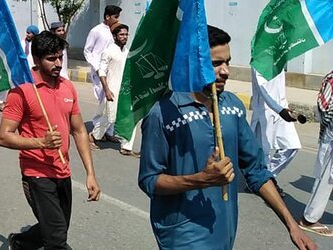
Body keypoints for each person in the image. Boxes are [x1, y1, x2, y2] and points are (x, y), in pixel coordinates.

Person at [138, 25, 315, 250]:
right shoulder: (163, 113)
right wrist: (200, 179)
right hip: (183, 235)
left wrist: (291, 224)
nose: (225, 71)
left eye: (227, 62)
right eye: (216, 64)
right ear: (194, 63)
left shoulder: (232, 106)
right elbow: (149, 180)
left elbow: (256, 170)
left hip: (225, 232)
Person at [0, 31, 101, 249]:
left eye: (60, 57)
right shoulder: (23, 89)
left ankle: (20, 241)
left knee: (59, 226)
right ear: (36, 60)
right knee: (57, 240)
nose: (58, 63)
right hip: (36, 173)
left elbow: (80, 131)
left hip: (62, 171)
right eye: (51, 58)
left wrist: (90, 174)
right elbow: (4, 136)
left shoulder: (67, 87)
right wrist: (40, 143)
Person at [250, 67, 300, 193]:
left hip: (283, 111)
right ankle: (265, 182)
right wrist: (279, 109)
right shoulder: (259, 62)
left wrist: (285, 108)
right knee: (263, 153)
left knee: (292, 146)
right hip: (265, 113)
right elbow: (263, 91)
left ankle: (266, 178)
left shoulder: (280, 61)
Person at [91, 23, 138, 156]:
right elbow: (101, 71)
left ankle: (126, 147)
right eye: (121, 34)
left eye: (126, 34)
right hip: (112, 90)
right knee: (110, 118)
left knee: (130, 117)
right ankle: (93, 136)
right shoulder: (108, 51)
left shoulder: (127, 52)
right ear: (114, 36)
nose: (124, 37)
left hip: (126, 91)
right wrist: (106, 89)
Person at [298, 69, 333, 237]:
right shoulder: (332, 78)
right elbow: (323, 108)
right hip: (331, 135)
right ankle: (310, 219)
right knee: (326, 178)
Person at [83, 5, 122, 143]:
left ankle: (109, 132)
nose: (118, 19)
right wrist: (96, 67)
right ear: (107, 17)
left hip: (112, 72)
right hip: (100, 72)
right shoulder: (96, 31)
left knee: (112, 101)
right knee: (104, 102)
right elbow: (87, 50)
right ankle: (97, 131)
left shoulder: (114, 31)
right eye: (115, 17)